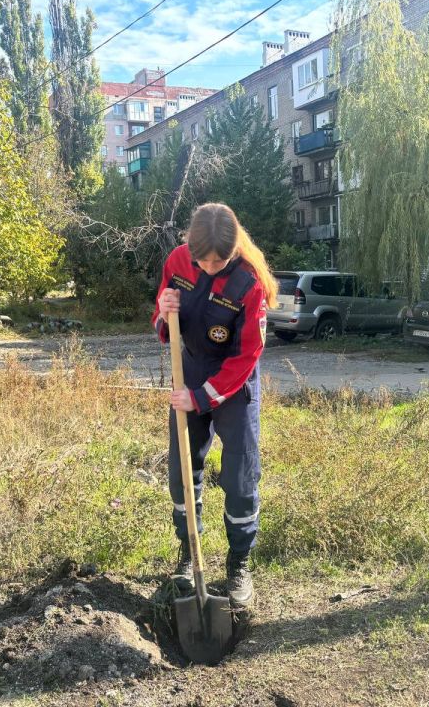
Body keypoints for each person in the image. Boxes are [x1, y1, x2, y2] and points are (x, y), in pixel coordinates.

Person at [150, 202, 278, 608]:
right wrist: (162, 314)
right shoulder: (178, 261)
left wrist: (203, 396)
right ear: (189, 247)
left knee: (240, 472)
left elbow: (247, 354)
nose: (208, 267)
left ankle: (238, 563)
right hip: (188, 368)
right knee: (182, 469)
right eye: (201, 260)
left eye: (217, 261)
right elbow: (164, 317)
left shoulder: (249, 281)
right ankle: (189, 554)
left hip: (234, 382)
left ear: (233, 250)